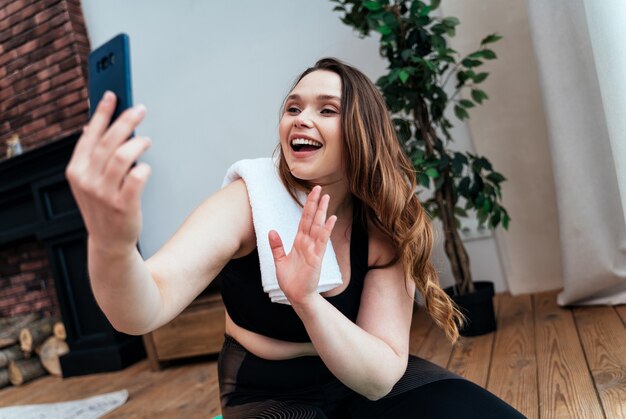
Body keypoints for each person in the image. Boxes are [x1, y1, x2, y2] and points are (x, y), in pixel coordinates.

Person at [66, 58, 526, 418]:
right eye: (292, 107)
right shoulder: (246, 202)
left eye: (326, 109)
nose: (300, 119)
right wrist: (113, 244)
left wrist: (307, 301)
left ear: (362, 134)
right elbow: (145, 308)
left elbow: (380, 376)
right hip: (266, 389)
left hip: (359, 373)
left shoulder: (385, 222)